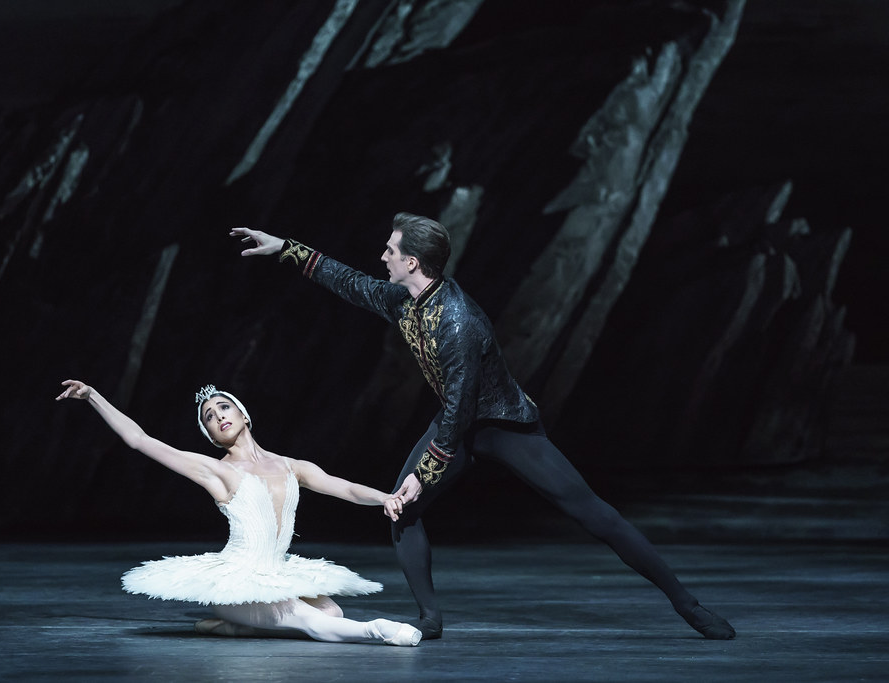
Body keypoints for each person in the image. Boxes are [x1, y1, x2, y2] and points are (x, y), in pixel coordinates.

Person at [230, 213, 736, 641]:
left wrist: (423, 471)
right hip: (457, 423)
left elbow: (459, 408)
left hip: (503, 425)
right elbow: (348, 282)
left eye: (390, 251)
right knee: (400, 510)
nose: (382, 257)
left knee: (592, 513)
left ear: (411, 262)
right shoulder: (404, 299)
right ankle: (429, 619)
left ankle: (686, 604)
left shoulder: (458, 322)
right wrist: (284, 249)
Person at [55, 379, 422, 646]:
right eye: (209, 416)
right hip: (237, 582)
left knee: (332, 615)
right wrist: (93, 397)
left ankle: (236, 630)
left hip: (278, 573)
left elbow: (342, 486)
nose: (218, 416)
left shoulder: (290, 466)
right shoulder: (218, 471)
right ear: (211, 435)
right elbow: (140, 441)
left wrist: (384, 497)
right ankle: (378, 630)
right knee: (314, 623)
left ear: (243, 415)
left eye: (223, 407)